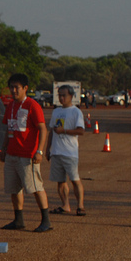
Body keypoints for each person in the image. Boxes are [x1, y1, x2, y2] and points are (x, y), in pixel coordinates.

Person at [0, 73, 51, 232]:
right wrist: (4, 149)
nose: (13, 90)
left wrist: (39, 151)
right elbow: (9, 129)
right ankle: (18, 220)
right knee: (14, 189)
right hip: (12, 154)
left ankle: (46, 220)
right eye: (11, 87)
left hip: (28, 155)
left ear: (25, 88)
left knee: (35, 187)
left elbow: (43, 129)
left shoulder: (32, 105)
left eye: (17, 87)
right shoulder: (11, 106)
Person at [45, 85, 86, 216]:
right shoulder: (56, 111)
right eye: (60, 95)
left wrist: (65, 131)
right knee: (60, 181)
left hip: (70, 152)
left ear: (71, 96)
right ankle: (65, 205)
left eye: (64, 95)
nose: (62, 98)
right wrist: (48, 148)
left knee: (74, 179)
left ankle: (80, 205)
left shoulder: (76, 112)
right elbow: (51, 131)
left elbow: (81, 131)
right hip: (57, 151)